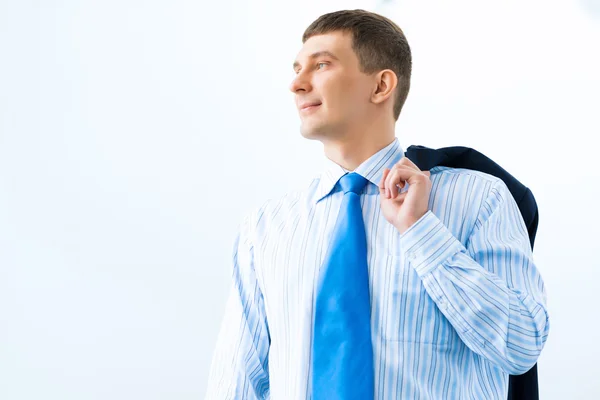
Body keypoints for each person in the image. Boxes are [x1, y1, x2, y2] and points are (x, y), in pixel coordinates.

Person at [205, 9, 549, 400]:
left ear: (381, 85)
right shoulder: (266, 228)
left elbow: (521, 345)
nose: (297, 84)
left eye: (321, 65)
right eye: (297, 68)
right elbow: (237, 385)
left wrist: (422, 233)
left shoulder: (477, 199)